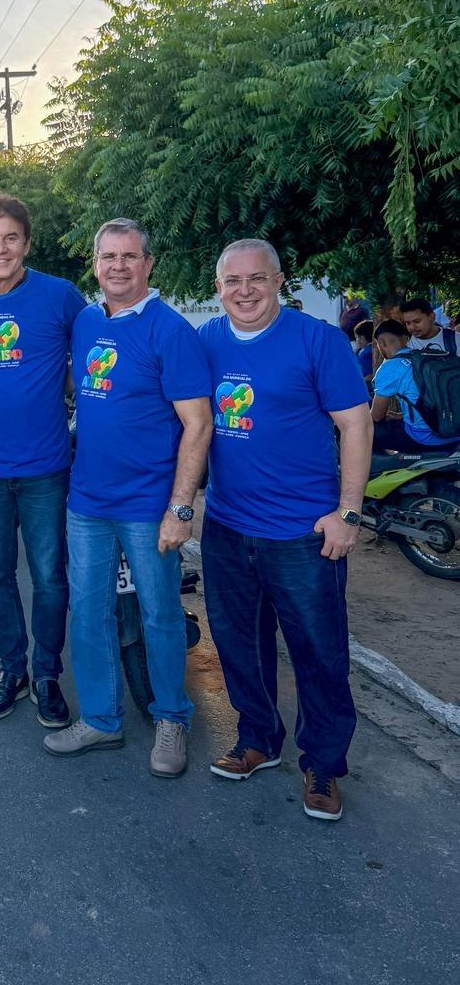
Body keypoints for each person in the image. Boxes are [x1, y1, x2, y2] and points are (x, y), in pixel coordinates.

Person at [198, 238, 372, 823]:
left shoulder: (317, 340)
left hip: (303, 533)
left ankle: (323, 764)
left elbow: (355, 425)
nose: (244, 290)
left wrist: (348, 512)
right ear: (218, 287)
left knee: (319, 654)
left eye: (257, 278)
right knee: (239, 645)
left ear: (278, 282)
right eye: (232, 281)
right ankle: (258, 739)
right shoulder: (207, 340)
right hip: (227, 527)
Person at [43, 220, 212, 777]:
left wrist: (180, 508)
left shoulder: (170, 330)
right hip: (87, 502)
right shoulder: (87, 322)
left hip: (148, 505)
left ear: (148, 263)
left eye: (130, 256)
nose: (118, 266)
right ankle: (101, 719)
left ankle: (172, 718)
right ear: (96, 264)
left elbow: (198, 425)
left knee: (160, 614)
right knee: (89, 614)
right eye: (108, 257)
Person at [0, 192, 86, 728]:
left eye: (10, 238)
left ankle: (46, 674)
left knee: (50, 576)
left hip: (46, 467)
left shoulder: (60, 296)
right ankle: (13, 672)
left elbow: (97, 349)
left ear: (27, 243)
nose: (0, 248)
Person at [371, 319, 460, 454]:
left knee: (366, 429)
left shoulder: (389, 368)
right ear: (406, 338)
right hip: (453, 432)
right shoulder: (427, 356)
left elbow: (377, 416)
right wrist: (400, 416)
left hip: (424, 437)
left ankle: (380, 466)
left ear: (381, 343)